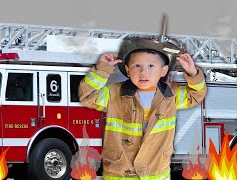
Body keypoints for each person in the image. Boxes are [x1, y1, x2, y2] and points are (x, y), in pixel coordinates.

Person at [78, 37, 207, 179]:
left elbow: (196, 95)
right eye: (137, 66)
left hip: (156, 174)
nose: (143, 72)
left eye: (151, 66)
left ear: (163, 71)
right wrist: (102, 69)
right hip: (120, 174)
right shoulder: (113, 93)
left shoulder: (172, 95)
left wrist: (193, 73)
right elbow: (87, 95)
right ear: (127, 69)